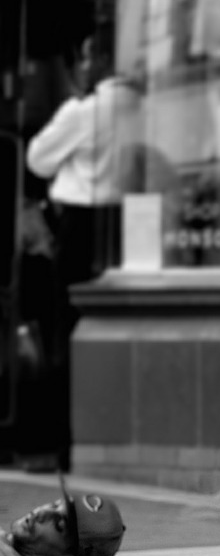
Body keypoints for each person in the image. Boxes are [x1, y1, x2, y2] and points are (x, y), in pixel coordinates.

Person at [22, 36, 139, 472]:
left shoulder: (87, 111)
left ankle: (64, 445)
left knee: (66, 333)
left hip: (79, 226)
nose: (83, 65)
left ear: (106, 58)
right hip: (127, 224)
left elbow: (37, 160)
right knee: (110, 326)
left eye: (88, 56)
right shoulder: (144, 107)